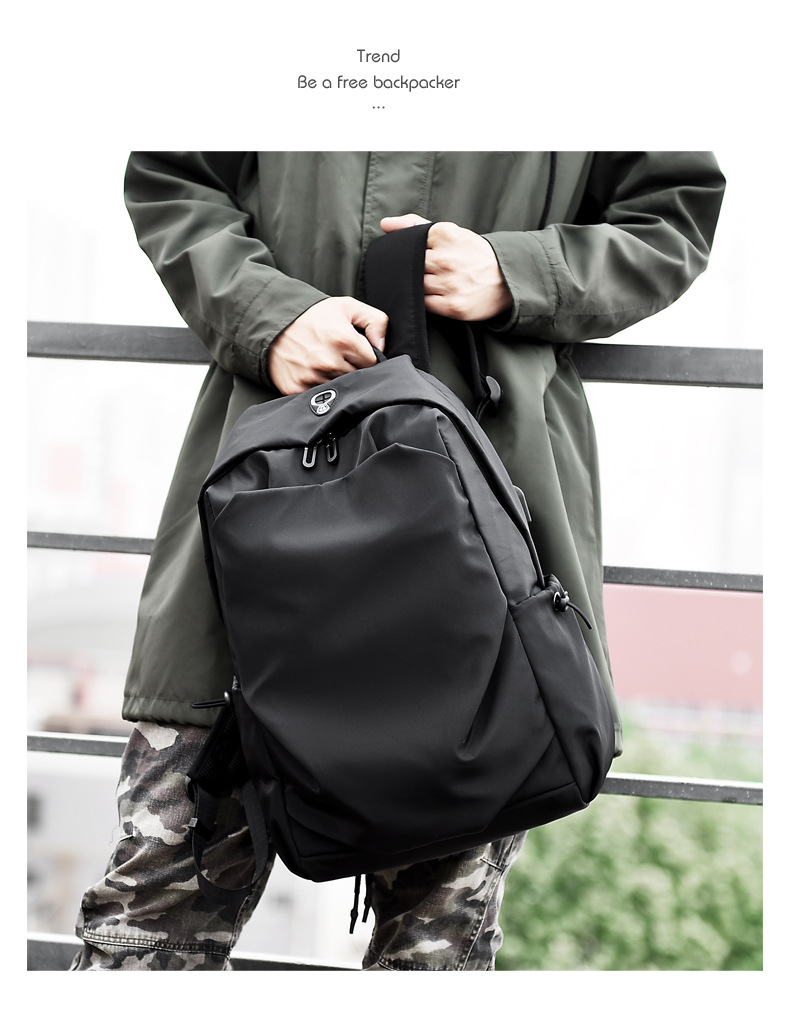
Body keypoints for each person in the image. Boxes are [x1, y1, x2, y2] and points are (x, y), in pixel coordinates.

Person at [70, 152, 725, 971]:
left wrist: (517, 271)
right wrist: (270, 315)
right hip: (256, 519)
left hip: (485, 539)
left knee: (432, 955)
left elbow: (672, 210)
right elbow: (174, 178)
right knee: (148, 929)